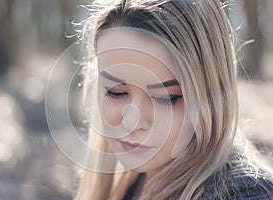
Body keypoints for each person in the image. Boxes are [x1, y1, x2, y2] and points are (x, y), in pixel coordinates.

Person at [74, 0, 273, 199]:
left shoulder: (244, 193)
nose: (132, 122)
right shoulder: (132, 183)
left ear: (212, 93)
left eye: (165, 98)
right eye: (116, 91)